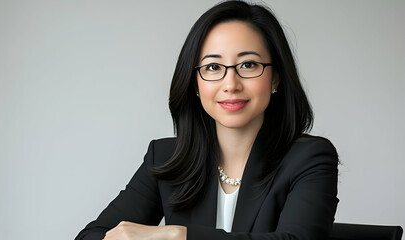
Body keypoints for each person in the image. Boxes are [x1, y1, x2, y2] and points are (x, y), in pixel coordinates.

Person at [75, 1, 339, 239]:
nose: (230, 84)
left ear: (276, 78)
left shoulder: (310, 158)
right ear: (195, 83)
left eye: (248, 65)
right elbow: (91, 236)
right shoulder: (165, 157)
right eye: (213, 67)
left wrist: (180, 236)